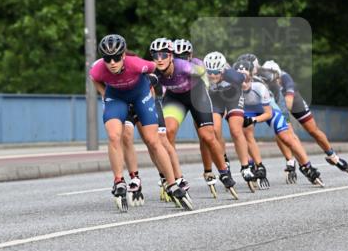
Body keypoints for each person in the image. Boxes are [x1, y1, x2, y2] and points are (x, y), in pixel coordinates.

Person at [90, 34, 191, 210]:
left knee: (153, 140)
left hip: (140, 96)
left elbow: (155, 69)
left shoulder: (136, 63)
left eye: (116, 58)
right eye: (107, 58)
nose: (112, 63)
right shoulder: (98, 69)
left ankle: (172, 183)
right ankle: (119, 181)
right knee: (114, 136)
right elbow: (94, 78)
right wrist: (103, 93)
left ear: (123, 55)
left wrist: (151, 85)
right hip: (116, 98)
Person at [150, 38, 238, 198]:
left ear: (171, 57)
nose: (160, 60)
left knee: (207, 136)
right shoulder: (154, 70)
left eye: (164, 56)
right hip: (175, 98)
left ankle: (224, 172)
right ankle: (171, 176)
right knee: (168, 132)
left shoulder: (184, 66)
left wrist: (212, 88)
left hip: (197, 95)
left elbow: (205, 75)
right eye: (156, 56)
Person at [235, 58, 324, 186]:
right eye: (240, 79)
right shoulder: (232, 88)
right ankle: (258, 166)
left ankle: (307, 166)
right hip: (249, 108)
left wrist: (253, 120)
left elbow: (268, 114)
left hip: (269, 107)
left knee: (286, 136)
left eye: (246, 78)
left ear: (252, 75)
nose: (243, 83)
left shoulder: (260, 86)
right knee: (245, 132)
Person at [260, 60, 348, 177]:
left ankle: (333, 156)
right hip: (277, 102)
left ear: (278, 75)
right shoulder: (262, 81)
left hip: (294, 101)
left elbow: (288, 103)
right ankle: (290, 161)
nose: (273, 82)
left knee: (313, 130)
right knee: (281, 131)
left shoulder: (286, 79)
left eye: (275, 79)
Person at [203, 51, 258, 193]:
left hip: (233, 96)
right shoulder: (203, 75)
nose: (212, 75)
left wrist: (246, 75)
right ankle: (224, 159)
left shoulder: (232, 75)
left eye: (216, 72)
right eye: (209, 72)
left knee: (235, 130)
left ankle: (245, 166)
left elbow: (246, 77)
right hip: (216, 98)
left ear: (223, 70)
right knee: (214, 130)